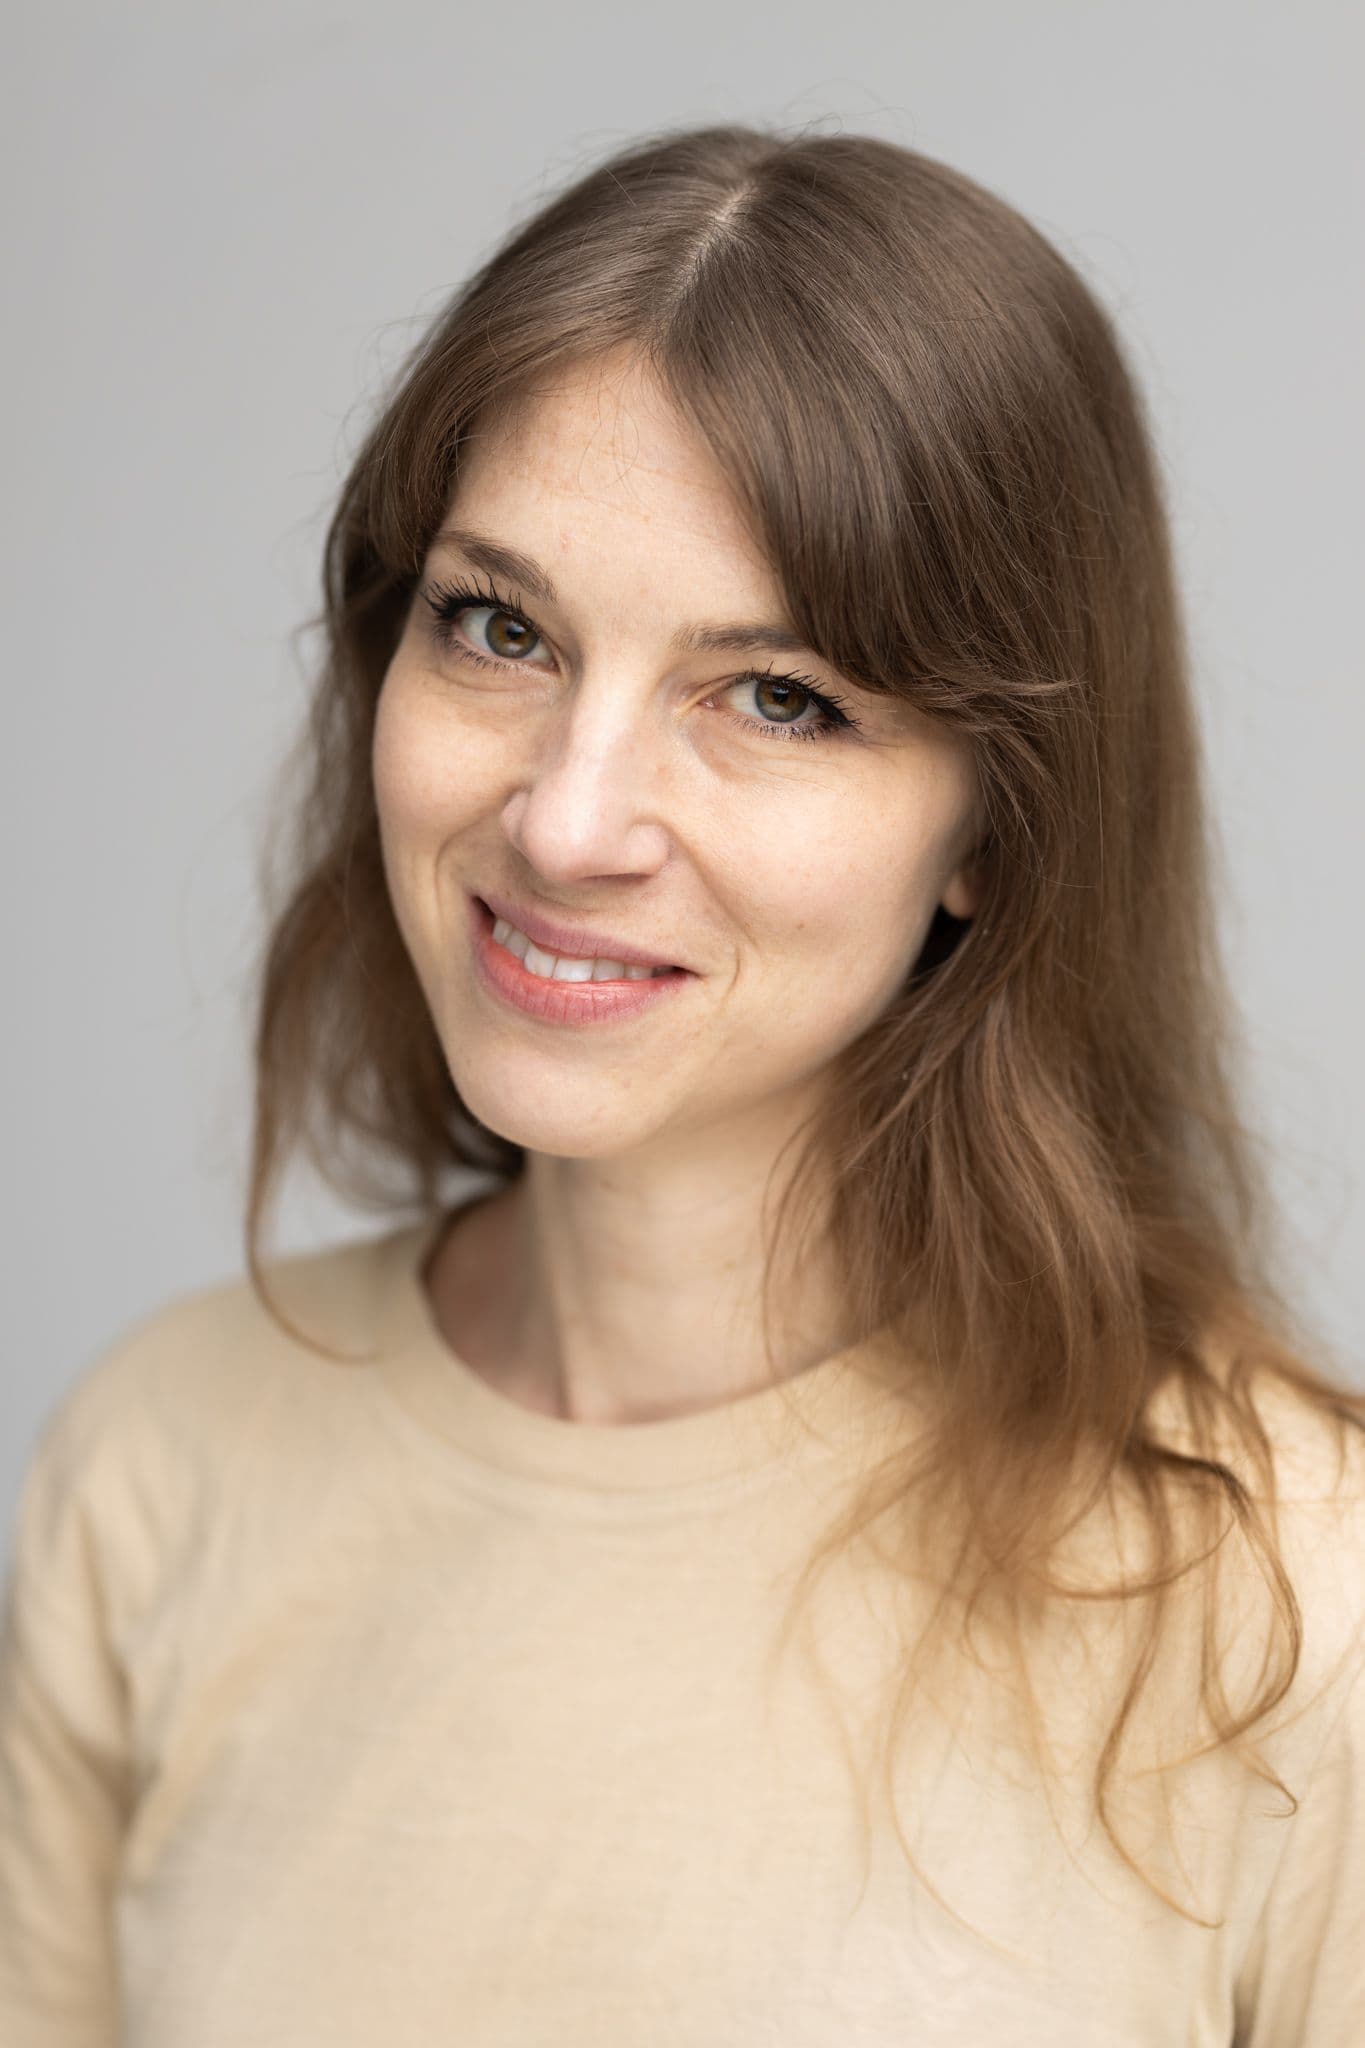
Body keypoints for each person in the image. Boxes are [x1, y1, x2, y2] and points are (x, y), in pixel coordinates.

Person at [2, 120, 1362, 2045]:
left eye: (776, 697)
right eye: (501, 628)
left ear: (993, 830)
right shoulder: (160, 1470)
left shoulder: (1289, 1597)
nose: (565, 821)